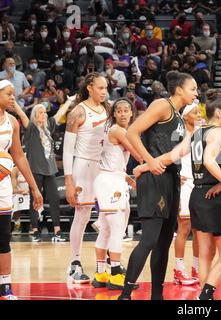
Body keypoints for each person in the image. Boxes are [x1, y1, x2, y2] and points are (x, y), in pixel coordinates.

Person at [118, 71, 198, 300]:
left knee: (164, 242)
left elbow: (173, 152)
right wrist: (148, 161)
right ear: (179, 89)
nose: (196, 93)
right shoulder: (163, 105)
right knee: (150, 239)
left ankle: (157, 295)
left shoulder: (181, 117)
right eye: (192, 88)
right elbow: (132, 132)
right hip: (154, 180)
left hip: (171, 178)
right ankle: (125, 294)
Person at [158, 89, 221, 300]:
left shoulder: (196, 133)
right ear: (219, 113)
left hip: (197, 195)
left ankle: (204, 298)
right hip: (213, 198)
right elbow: (208, 160)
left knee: (205, 255)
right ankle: (206, 294)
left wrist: (146, 166)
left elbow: (173, 155)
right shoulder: (219, 132)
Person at [92, 98, 143, 290]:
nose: (122, 113)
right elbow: (139, 154)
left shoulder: (115, 130)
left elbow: (117, 164)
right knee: (116, 229)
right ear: (114, 114)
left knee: (106, 229)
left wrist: (129, 180)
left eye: (126, 110)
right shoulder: (118, 131)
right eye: (119, 111)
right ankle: (115, 274)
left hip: (112, 179)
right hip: (110, 182)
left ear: (131, 113)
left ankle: (101, 273)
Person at [64, 73, 109, 284]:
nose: (104, 92)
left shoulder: (108, 109)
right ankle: (74, 264)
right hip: (82, 165)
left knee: (109, 215)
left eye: (106, 88)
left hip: (103, 166)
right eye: (100, 88)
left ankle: (107, 261)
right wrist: (69, 180)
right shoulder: (78, 112)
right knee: (81, 217)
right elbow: (67, 151)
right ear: (90, 87)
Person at [0, 80, 43, 300]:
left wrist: (34, 188)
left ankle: (5, 286)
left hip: (3, 186)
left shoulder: (12, 122)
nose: (12, 98)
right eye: (8, 94)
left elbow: (18, 156)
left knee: (3, 237)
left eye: (13, 95)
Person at [13, 99, 71, 243]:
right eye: (41, 112)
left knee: (54, 200)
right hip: (35, 170)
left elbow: (59, 114)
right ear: (35, 115)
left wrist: (69, 102)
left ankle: (57, 231)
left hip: (50, 170)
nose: (44, 115)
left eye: (45, 112)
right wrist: (14, 104)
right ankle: (35, 231)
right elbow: (22, 114)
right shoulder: (31, 128)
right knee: (35, 201)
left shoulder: (49, 126)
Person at [172, 101, 202, 286]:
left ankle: (197, 268)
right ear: (185, 116)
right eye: (195, 113)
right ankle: (178, 270)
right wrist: (175, 175)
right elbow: (169, 156)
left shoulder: (201, 134)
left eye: (200, 112)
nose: (199, 115)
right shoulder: (177, 133)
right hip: (184, 182)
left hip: (198, 182)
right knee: (184, 228)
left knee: (199, 230)